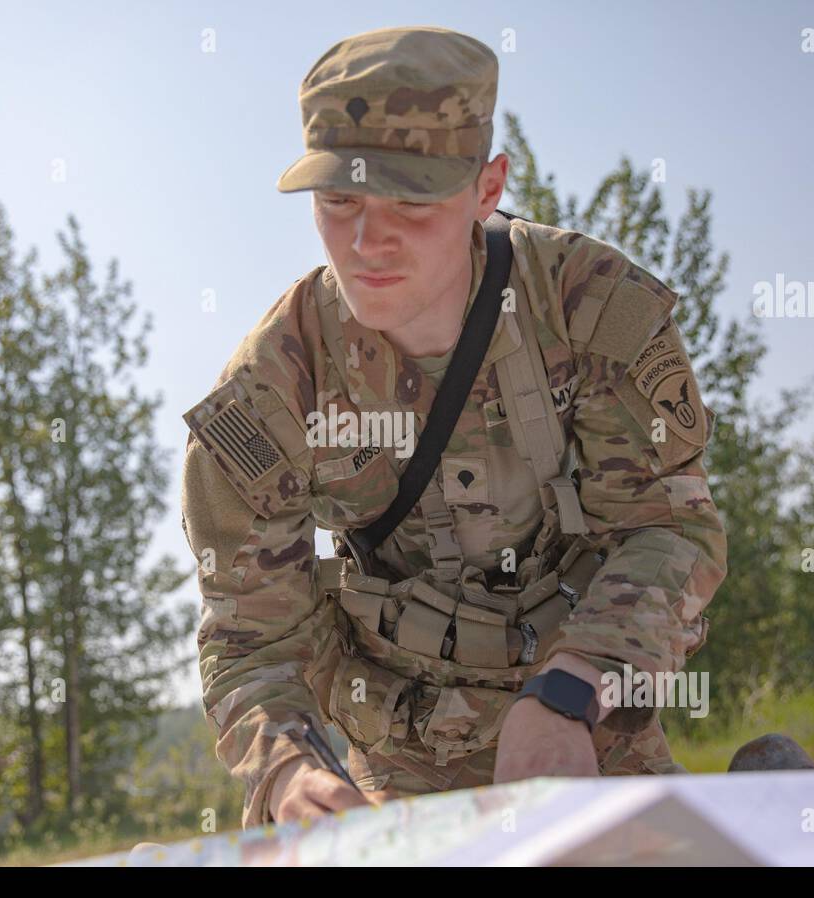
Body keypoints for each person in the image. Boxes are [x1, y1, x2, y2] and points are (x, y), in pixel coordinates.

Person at [180, 25, 727, 829]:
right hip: (397, 753)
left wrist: (575, 689)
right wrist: (289, 770)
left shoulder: (587, 307)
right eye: (339, 203)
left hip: (584, 721)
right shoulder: (267, 399)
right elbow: (250, 641)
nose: (368, 243)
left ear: (486, 185)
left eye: (411, 201)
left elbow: (669, 529)